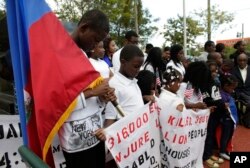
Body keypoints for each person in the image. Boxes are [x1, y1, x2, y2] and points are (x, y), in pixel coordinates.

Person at [58, 9, 116, 168]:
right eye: (96, 39)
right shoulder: (58, 55)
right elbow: (56, 101)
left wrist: (102, 97)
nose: (96, 45)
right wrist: (93, 93)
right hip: (76, 142)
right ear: (83, 28)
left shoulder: (83, 55)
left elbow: (92, 97)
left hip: (96, 134)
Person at [203, 61, 227, 168]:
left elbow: (217, 96)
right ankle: (206, 157)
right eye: (212, 71)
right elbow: (207, 99)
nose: (214, 73)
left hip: (217, 112)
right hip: (209, 112)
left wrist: (222, 104)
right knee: (207, 135)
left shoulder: (214, 82)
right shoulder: (203, 84)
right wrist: (219, 103)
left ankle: (210, 154)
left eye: (215, 70)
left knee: (211, 134)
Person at [218, 74, 238, 160]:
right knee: (225, 136)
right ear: (226, 85)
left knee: (230, 135)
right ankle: (222, 152)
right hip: (226, 120)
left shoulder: (227, 93)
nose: (233, 90)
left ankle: (226, 149)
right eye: (232, 88)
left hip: (230, 120)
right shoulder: (221, 95)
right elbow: (222, 108)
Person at [231, 53, 250, 127]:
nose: (242, 62)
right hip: (238, 94)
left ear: (247, 60)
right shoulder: (233, 71)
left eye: (244, 60)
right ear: (237, 61)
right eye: (240, 60)